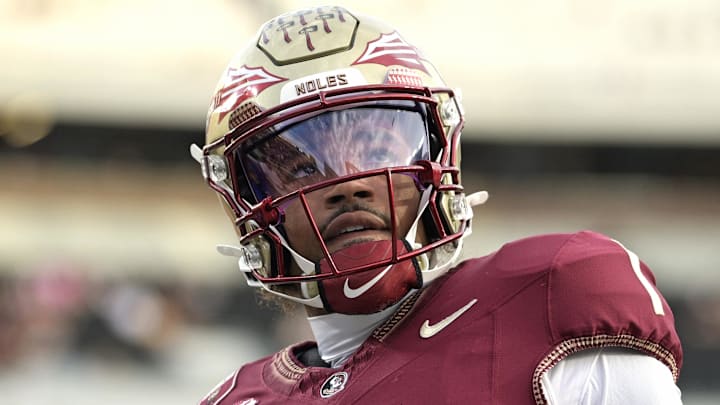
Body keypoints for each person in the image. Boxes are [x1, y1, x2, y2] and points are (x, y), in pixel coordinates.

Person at [191, 5, 683, 404]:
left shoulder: (554, 302)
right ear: (249, 206)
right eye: (302, 168)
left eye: (378, 150)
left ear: (437, 162)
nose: (347, 184)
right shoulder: (233, 398)